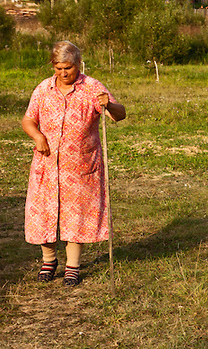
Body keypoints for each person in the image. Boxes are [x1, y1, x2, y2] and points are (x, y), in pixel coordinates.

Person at [21, 41, 126, 287]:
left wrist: (108, 104)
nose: (62, 73)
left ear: (78, 64)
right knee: (45, 212)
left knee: (76, 215)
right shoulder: (43, 89)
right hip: (47, 164)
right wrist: (38, 137)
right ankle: (48, 261)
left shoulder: (92, 87)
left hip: (80, 166)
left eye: (67, 67)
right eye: (58, 68)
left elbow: (120, 115)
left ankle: (72, 267)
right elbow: (28, 120)